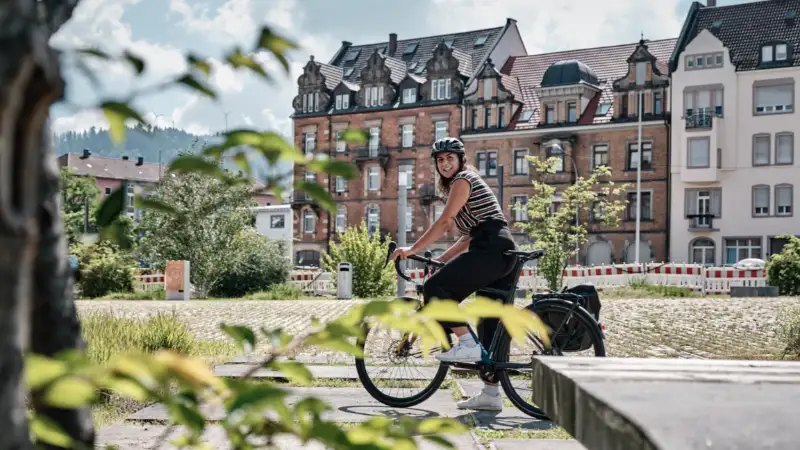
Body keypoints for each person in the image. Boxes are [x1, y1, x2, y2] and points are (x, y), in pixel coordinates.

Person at [390, 136, 518, 411]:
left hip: (492, 248)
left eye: (450, 158)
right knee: (489, 323)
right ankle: (491, 395)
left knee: (435, 289)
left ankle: (466, 343)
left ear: (461, 160)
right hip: (499, 249)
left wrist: (412, 249)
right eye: (440, 160)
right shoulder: (461, 186)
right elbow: (467, 237)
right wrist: (442, 259)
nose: (445, 163)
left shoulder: (464, 180)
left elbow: (446, 221)